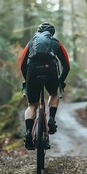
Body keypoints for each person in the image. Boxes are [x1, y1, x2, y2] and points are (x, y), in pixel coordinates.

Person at [19, 22, 70, 150]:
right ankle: (51, 119)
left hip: (32, 71)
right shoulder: (55, 43)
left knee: (32, 105)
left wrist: (28, 80)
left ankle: (28, 131)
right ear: (51, 33)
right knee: (53, 93)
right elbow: (66, 65)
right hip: (50, 69)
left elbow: (22, 64)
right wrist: (60, 81)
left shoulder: (31, 43)